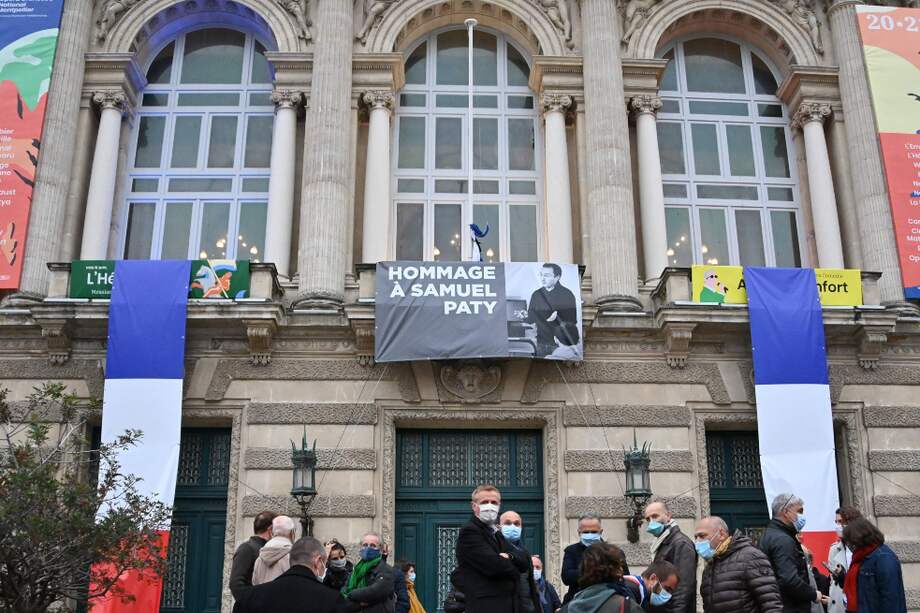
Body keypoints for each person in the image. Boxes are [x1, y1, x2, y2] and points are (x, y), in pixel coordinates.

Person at [455, 484, 529, 612]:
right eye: (484, 502)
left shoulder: (496, 532)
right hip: (487, 606)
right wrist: (514, 566)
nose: (490, 506)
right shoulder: (470, 532)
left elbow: (525, 561)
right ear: (474, 506)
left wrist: (510, 556)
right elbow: (495, 566)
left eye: (494, 502)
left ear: (499, 505)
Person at [233, 536, 349, 613]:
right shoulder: (332, 600)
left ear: (291, 559)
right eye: (325, 562)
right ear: (318, 561)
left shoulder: (248, 598)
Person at [694, 515, 783, 613]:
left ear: (721, 534)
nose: (697, 541)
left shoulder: (750, 557)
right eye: (696, 537)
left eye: (702, 536)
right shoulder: (711, 566)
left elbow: (771, 604)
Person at [759, 493, 828, 612]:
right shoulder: (783, 540)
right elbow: (789, 579)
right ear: (786, 512)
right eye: (799, 511)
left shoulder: (769, 535)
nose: (801, 516)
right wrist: (812, 594)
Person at [842, 518, 907, 613]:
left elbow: (891, 598)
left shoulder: (883, 557)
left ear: (860, 537)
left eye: (850, 541)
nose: (849, 545)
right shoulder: (860, 558)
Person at [561, 514, 630, 604]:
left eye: (593, 532)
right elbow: (567, 577)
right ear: (579, 532)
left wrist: (586, 573)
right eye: (586, 532)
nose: (589, 534)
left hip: (608, 600)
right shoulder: (572, 550)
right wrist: (600, 571)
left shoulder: (614, 552)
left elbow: (625, 577)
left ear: (601, 531)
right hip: (578, 600)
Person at [560, 542, 645, 613]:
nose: (622, 570)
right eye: (619, 565)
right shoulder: (627, 607)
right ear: (615, 571)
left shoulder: (566, 609)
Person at [643, 501, 697, 613]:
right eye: (648, 519)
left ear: (668, 515)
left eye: (655, 516)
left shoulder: (680, 543)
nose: (651, 522)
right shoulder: (661, 542)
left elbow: (684, 587)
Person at [518, 263, 579, 358]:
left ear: (557, 277)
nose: (542, 278)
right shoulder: (536, 294)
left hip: (561, 346)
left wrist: (557, 318)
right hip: (540, 344)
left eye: (546, 275)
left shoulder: (567, 295)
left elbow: (572, 323)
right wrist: (524, 315)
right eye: (541, 275)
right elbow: (531, 319)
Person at [342, 532, 396, 613]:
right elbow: (342, 597)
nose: (368, 548)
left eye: (373, 545)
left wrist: (350, 594)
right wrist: (359, 604)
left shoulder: (385, 570)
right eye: (365, 545)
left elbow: (374, 592)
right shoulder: (356, 570)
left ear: (380, 550)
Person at [499, 510, 542, 613]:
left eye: (517, 524)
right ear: (498, 526)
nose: (513, 527)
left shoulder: (525, 553)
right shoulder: (492, 549)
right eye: (508, 523)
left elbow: (531, 585)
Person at [230, 511, 276, 600]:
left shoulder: (268, 548)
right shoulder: (247, 548)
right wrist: (251, 604)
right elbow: (235, 583)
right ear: (270, 529)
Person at [827, 506, 862, 613]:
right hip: (840, 606)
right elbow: (834, 583)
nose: (838, 526)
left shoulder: (863, 547)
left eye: (841, 521)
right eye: (836, 522)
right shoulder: (834, 549)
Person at [252, 515, 295, 585]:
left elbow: (255, 584)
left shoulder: (259, 558)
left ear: (272, 531)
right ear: (291, 533)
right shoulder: (292, 557)